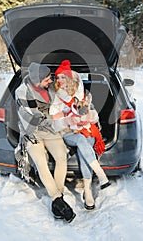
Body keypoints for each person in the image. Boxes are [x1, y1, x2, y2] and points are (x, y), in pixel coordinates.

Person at [15, 62, 76, 222]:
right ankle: (58, 199)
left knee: (62, 157)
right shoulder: (22, 91)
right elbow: (33, 118)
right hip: (32, 132)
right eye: (48, 79)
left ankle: (58, 198)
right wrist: (54, 118)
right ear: (37, 80)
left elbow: (60, 104)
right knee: (41, 163)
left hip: (49, 130)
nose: (51, 82)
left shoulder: (49, 89)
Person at [49, 60, 110, 210]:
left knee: (84, 145)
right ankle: (100, 174)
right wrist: (68, 120)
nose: (60, 81)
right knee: (82, 140)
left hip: (85, 130)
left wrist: (88, 116)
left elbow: (95, 116)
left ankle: (87, 190)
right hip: (68, 132)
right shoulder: (57, 97)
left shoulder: (84, 94)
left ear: (70, 78)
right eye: (58, 78)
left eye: (63, 77)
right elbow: (52, 121)